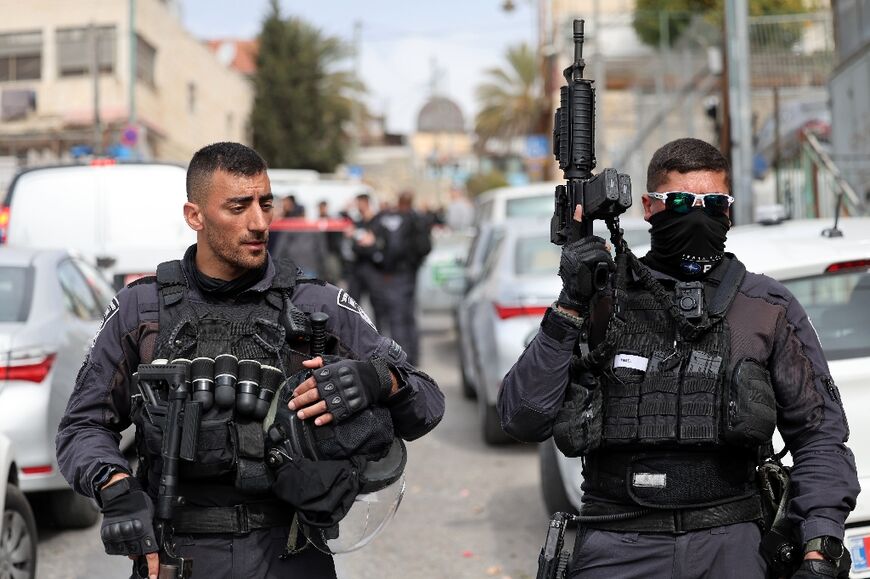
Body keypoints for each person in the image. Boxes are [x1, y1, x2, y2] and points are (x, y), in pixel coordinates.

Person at [56, 142, 444, 579]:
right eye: (238, 207)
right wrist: (115, 486)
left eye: (265, 203)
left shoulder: (317, 305)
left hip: (292, 553)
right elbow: (82, 426)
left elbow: (427, 404)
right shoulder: (141, 310)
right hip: (176, 555)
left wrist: (378, 380)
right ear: (195, 215)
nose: (259, 223)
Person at [498, 138, 858, 579]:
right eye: (683, 202)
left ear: (729, 209)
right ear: (649, 208)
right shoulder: (601, 298)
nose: (699, 215)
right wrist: (571, 305)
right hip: (618, 542)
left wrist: (820, 545)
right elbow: (521, 417)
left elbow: (819, 435)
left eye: (715, 203)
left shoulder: (766, 305)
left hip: (731, 542)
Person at [366, 191, 432, 366]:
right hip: (411, 272)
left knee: (397, 318)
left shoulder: (397, 220)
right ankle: (414, 357)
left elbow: (394, 248)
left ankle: (403, 361)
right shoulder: (417, 218)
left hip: (397, 274)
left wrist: (387, 268)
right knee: (409, 315)